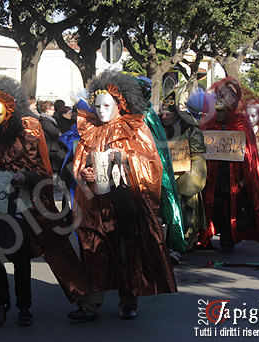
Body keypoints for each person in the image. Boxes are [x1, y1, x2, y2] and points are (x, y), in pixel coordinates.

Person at [0, 76, 86, 329]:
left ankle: (24, 307)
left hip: (20, 210)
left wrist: (26, 177)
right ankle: (1, 305)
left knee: (21, 261)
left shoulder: (29, 135)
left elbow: (44, 174)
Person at [68, 71, 176, 322]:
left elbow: (150, 164)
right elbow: (78, 164)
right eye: (97, 106)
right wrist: (85, 172)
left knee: (126, 250)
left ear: (120, 104)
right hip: (94, 205)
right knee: (92, 250)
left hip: (124, 203)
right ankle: (91, 303)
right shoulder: (89, 130)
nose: (101, 111)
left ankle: (129, 299)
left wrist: (126, 162)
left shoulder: (136, 129)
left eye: (107, 106)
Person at [199, 77, 259, 251]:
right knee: (212, 204)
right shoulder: (209, 123)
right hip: (212, 172)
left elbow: (249, 154)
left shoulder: (241, 123)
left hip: (233, 174)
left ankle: (228, 237)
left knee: (229, 206)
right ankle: (206, 235)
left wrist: (244, 178)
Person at [135, 76, 187, 259]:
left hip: (154, 166)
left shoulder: (147, 115)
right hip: (139, 165)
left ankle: (167, 244)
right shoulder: (138, 113)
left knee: (162, 202)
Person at [159, 90, 207, 250]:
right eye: (162, 114)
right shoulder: (157, 128)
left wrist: (191, 176)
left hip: (185, 175)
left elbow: (198, 152)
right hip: (165, 177)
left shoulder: (190, 128)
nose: (164, 117)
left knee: (188, 209)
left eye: (168, 114)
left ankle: (187, 239)